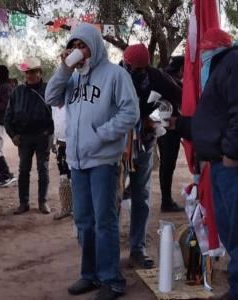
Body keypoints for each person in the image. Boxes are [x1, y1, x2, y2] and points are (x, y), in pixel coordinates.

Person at [45, 23, 139, 300]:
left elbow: (130, 113)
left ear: (95, 47)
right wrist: (64, 69)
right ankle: (90, 274)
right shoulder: (72, 78)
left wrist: (101, 135)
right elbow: (51, 97)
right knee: (84, 220)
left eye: (82, 46)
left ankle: (112, 280)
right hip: (77, 161)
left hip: (103, 161)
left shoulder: (115, 75)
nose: (77, 51)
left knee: (104, 221)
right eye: (73, 46)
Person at [190, 28, 238, 300]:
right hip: (224, 165)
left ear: (216, 47)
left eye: (204, 48)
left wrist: (232, 154)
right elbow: (219, 119)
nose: (201, 54)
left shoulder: (237, 65)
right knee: (234, 234)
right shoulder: (223, 69)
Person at [121, 44, 181, 269]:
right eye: (133, 69)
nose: (138, 73)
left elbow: (178, 97)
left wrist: (157, 117)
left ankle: (137, 248)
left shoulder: (156, 76)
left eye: (142, 69)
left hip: (144, 143)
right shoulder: (114, 75)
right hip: (116, 146)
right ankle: (105, 250)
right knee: (114, 196)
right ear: (125, 63)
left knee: (141, 196)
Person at [4, 57, 53, 215]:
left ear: (40, 72)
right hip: (23, 138)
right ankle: (23, 203)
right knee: (23, 170)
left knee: (43, 170)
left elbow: (56, 114)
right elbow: (8, 117)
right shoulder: (17, 92)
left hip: (42, 137)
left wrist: (49, 133)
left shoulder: (48, 89)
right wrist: (13, 135)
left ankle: (42, 202)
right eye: (27, 72)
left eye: (32, 72)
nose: (29, 75)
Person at [157, 55, 185, 212]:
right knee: (168, 164)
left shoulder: (162, 78)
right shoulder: (174, 84)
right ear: (181, 69)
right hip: (170, 128)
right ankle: (166, 201)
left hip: (160, 127)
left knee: (165, 164)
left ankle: (166, 199)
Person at [52, 106, 72, 220]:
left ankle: (78, 208)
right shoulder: (55, 102)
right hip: (60, 142)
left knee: (74, 176)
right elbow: (55, 119)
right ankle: (66, 207)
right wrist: (54, 140)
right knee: (63, 175)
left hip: (72, 141)